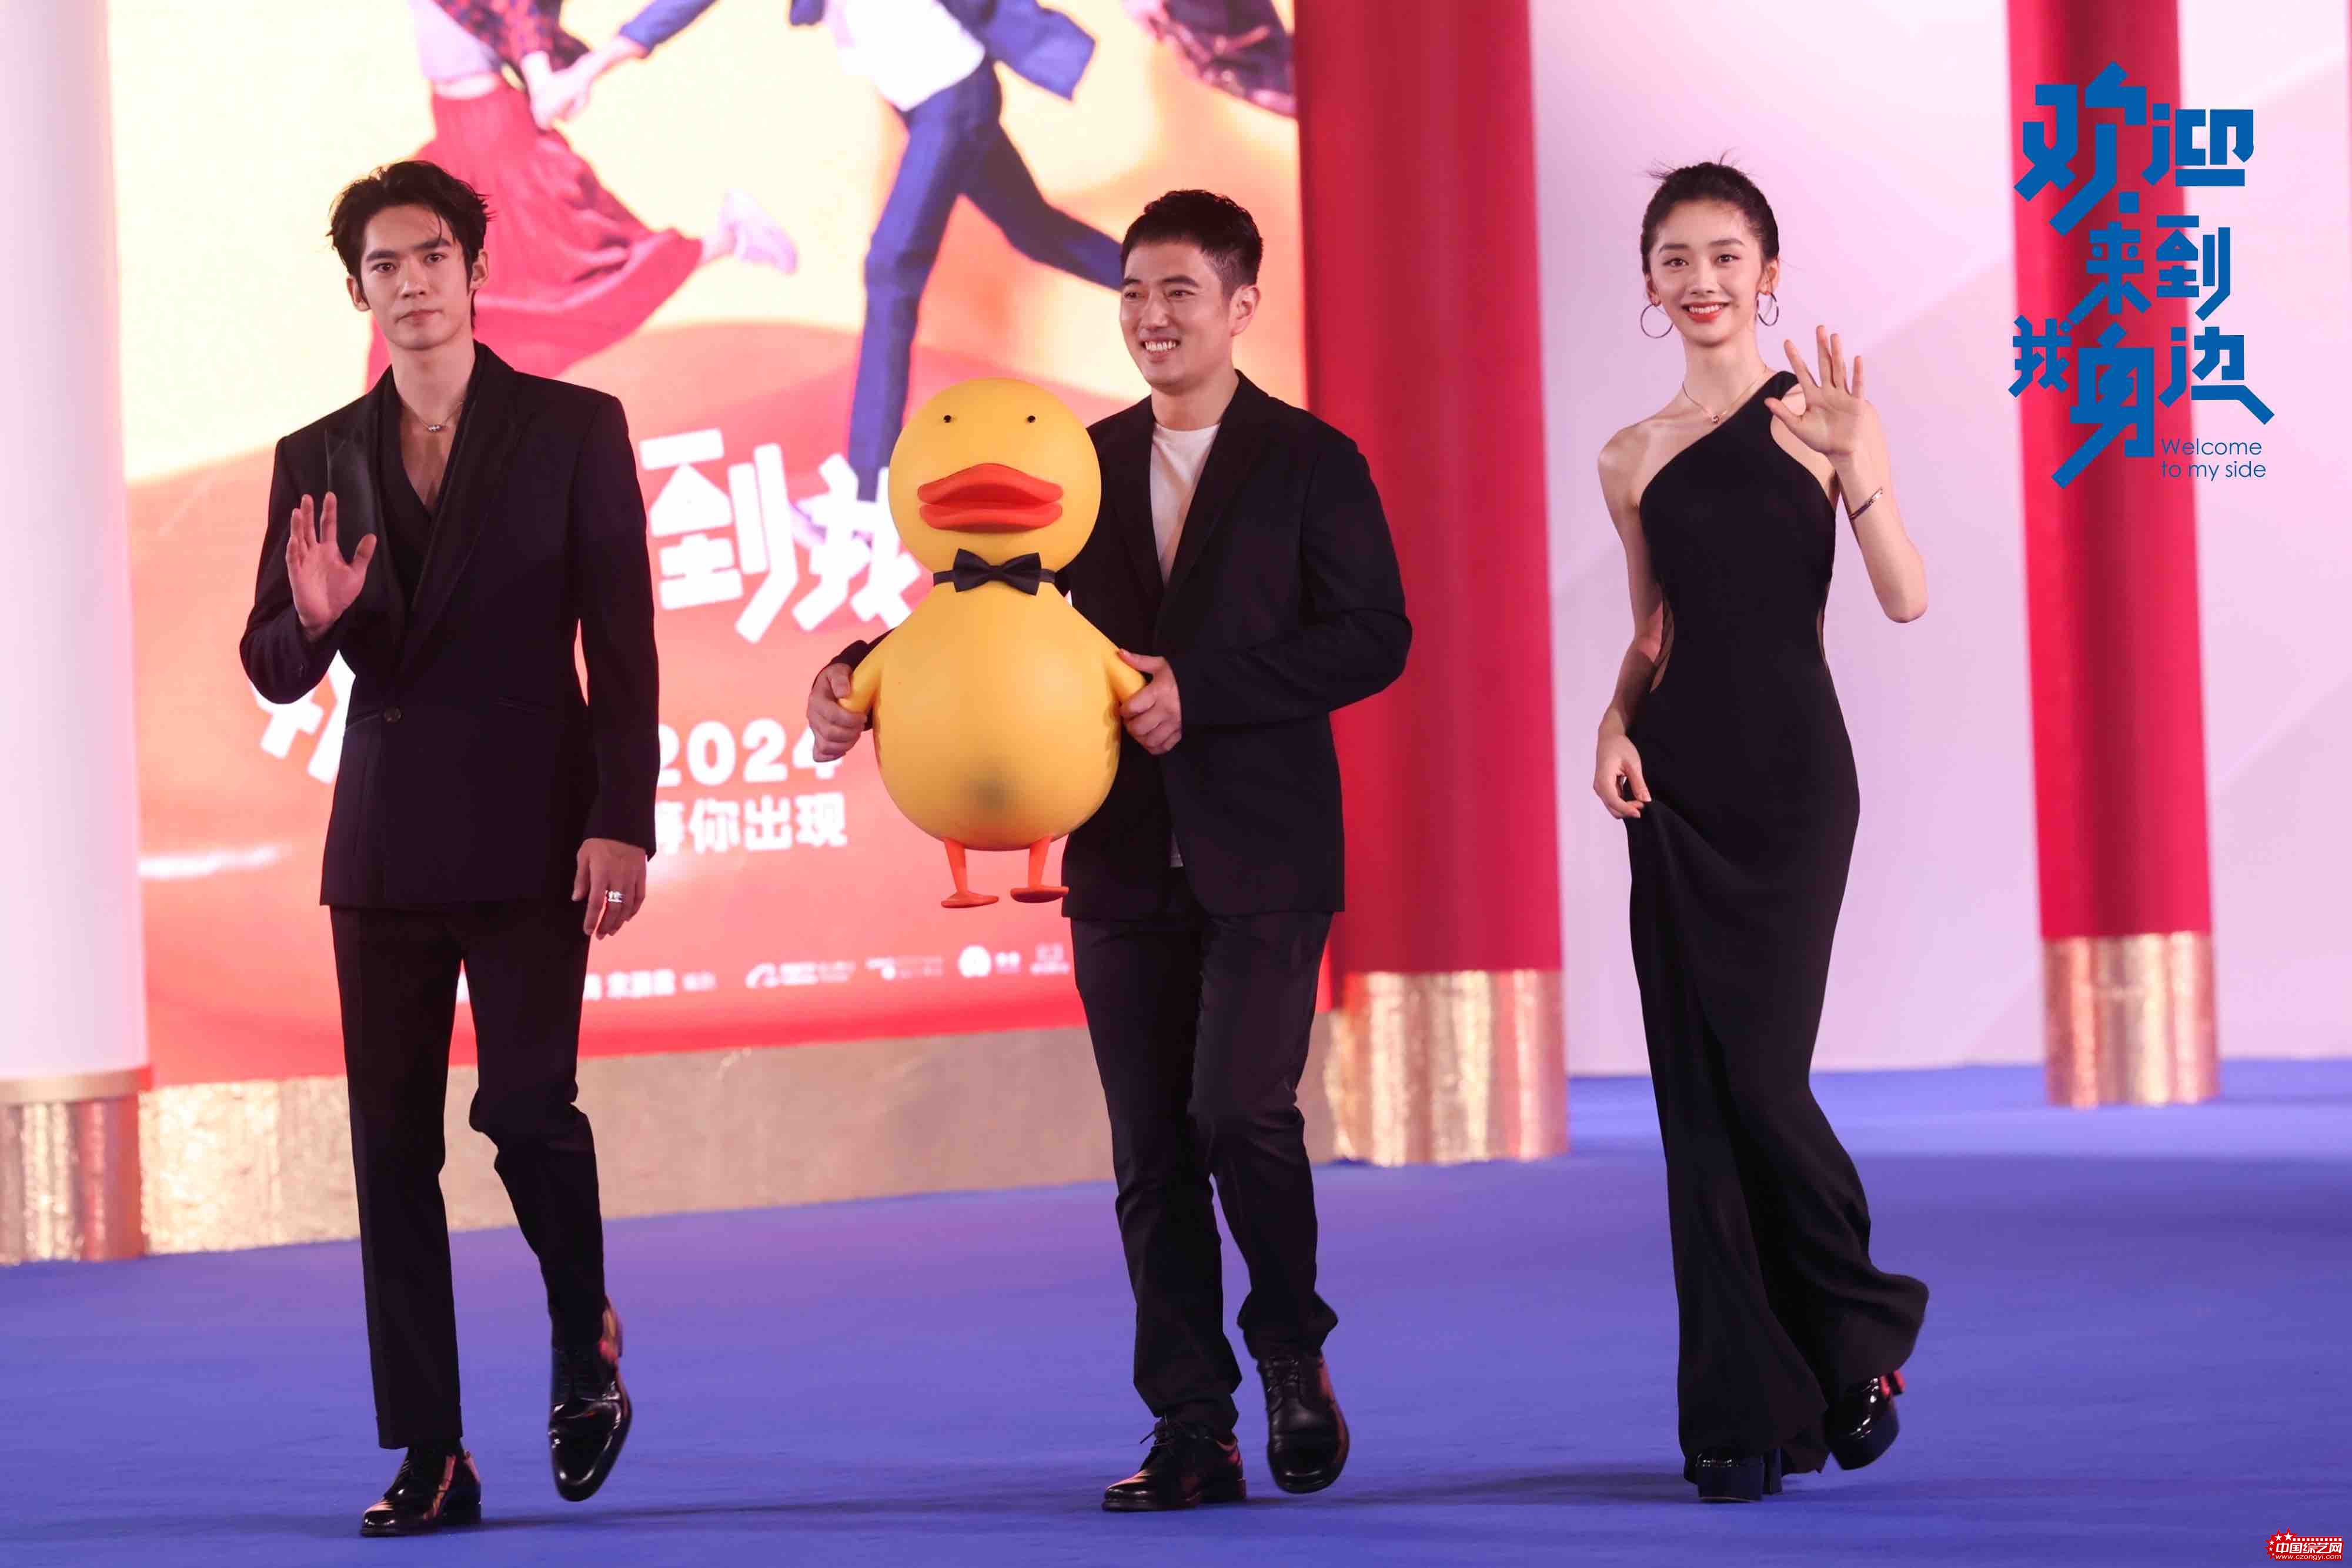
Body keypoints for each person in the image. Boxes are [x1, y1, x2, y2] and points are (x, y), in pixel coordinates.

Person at [807, 190, 1408, 1510]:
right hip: (1124, 857)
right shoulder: (1076, 465)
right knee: (1150, 1151)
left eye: (1179, 290)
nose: (1150, 315)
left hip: (1264, 848)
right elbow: (977, 605)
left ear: (1242, 305)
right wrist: (851, 671)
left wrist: (1205, 689)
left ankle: (1291, 1351)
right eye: (1133, 291)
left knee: (1240, 1110)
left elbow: (1375, 638)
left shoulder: (1312, 462)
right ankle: (1192, 1424)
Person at [239, 159, 658, 1535]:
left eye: (431, 257)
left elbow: (623, 642)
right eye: (384, 265)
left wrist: (621, 817)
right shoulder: (318, 456)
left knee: (528, 1113)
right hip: (384, 845)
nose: (411, 284)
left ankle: (582, 1336)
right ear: (356, 289)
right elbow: (270, 661)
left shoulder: (572, 428)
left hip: (537, 828)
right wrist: (313, 620)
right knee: (390, 1150)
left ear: (476, 269)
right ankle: (431, 1450)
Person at [1591, 161, 1930, 1503]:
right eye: (1676, 258)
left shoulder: (1820, 419)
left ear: (1767, 274)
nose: (1702, 280)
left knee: (1767, 1081)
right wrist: (1612, 724)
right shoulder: (1629, 456)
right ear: (1649, 283)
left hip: (1793, 785)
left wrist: (1863, 466)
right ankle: (1743, 1415)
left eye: (1726, 256)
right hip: (1674, 788)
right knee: (1698, 1101)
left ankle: (1856, 1334)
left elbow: (1903, 598)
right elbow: (1653, 629)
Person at [547, 0, 1125, 500]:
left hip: (953, 95)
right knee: (1035, 231)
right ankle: (1166, 278)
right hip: (925, 98)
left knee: (891, 271)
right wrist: (593, 67)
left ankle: (867, 491)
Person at [366, 0, 797, 386]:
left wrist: (542, 78)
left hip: (495, 135)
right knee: (433, 307)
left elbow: (517, 7)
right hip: (454, 134)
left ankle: (732, 236)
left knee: (560, 294)